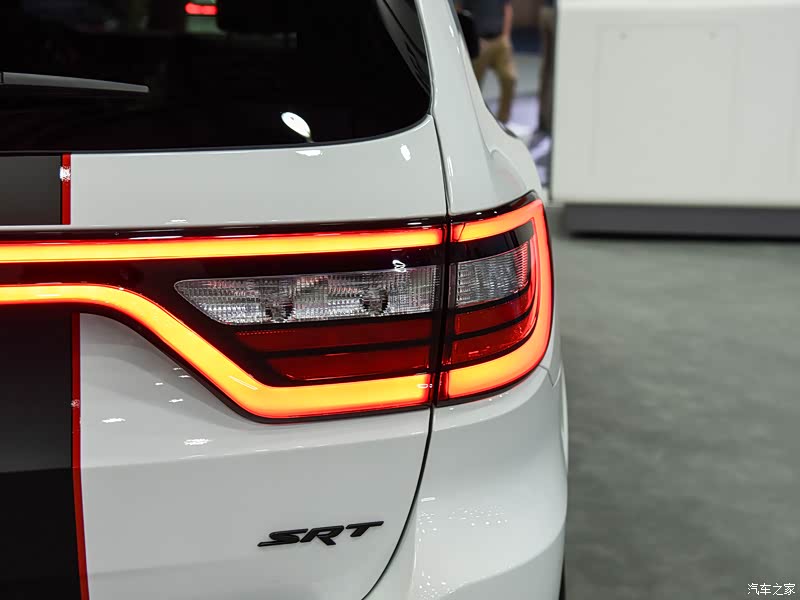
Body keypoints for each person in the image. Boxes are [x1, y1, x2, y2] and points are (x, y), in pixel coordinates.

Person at [459, 0, 517, 124]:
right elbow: (461, 12)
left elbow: (507, 8)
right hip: (479, 42)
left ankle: (503, 121)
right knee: (473, 87)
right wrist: (472, 39)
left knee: (509, 78)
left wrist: (505, 36)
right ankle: (473, 120)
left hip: (499, 40)